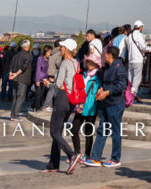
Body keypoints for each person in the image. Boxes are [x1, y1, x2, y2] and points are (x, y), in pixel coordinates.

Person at [87, 45, 128, 167]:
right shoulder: (107, 67)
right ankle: (95, 157)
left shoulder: (119, 68)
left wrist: (107, 92)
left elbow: (121, 85)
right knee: (102, 130)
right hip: (105, 103)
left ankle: (115, 158)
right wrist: (101, 90)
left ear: (110, 55)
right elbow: (105, 83)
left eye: (105, 54)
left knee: (115, 131)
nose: (104, 55)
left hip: (115, 104)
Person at [46, 38, 82, 174]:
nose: (60, 49)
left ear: (66, 49)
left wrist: (48, 84)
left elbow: (59, 84)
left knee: (54, 131)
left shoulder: (65, 63)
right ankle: (53, 164)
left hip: (62, 97)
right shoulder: (76, 63)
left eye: (61, 47)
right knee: (58, 132)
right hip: (72, 100)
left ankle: (71, 154)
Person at [7, 39, 34, 120]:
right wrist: (15, 74)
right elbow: (24, 67)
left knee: (15, 97)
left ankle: (12, 115)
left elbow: (11, 65)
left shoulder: (16, 55)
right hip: (23, 78)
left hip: (14, 79)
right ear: (28, 47)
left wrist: (11, 74)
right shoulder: (28, 55)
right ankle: (15, 115)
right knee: (21, 97)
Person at [127, 21, 150, 104]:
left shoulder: (130, 36)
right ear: (140, 27)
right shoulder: (140, 35)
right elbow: (144, 47)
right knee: (137, 79)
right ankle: (133, 96)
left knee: (130, 78)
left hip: (130, 59)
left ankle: (128, 96)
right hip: (138, 59)